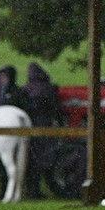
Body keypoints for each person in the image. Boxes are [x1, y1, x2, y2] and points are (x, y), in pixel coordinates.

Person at [22, 62, 63, 199]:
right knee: (46, 159)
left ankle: (32, 189)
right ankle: (50, 188)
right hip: (45, 127)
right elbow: (56, 109)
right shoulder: (47, 88)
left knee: (32, 160)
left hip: (30, 127)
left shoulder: (27, 89)